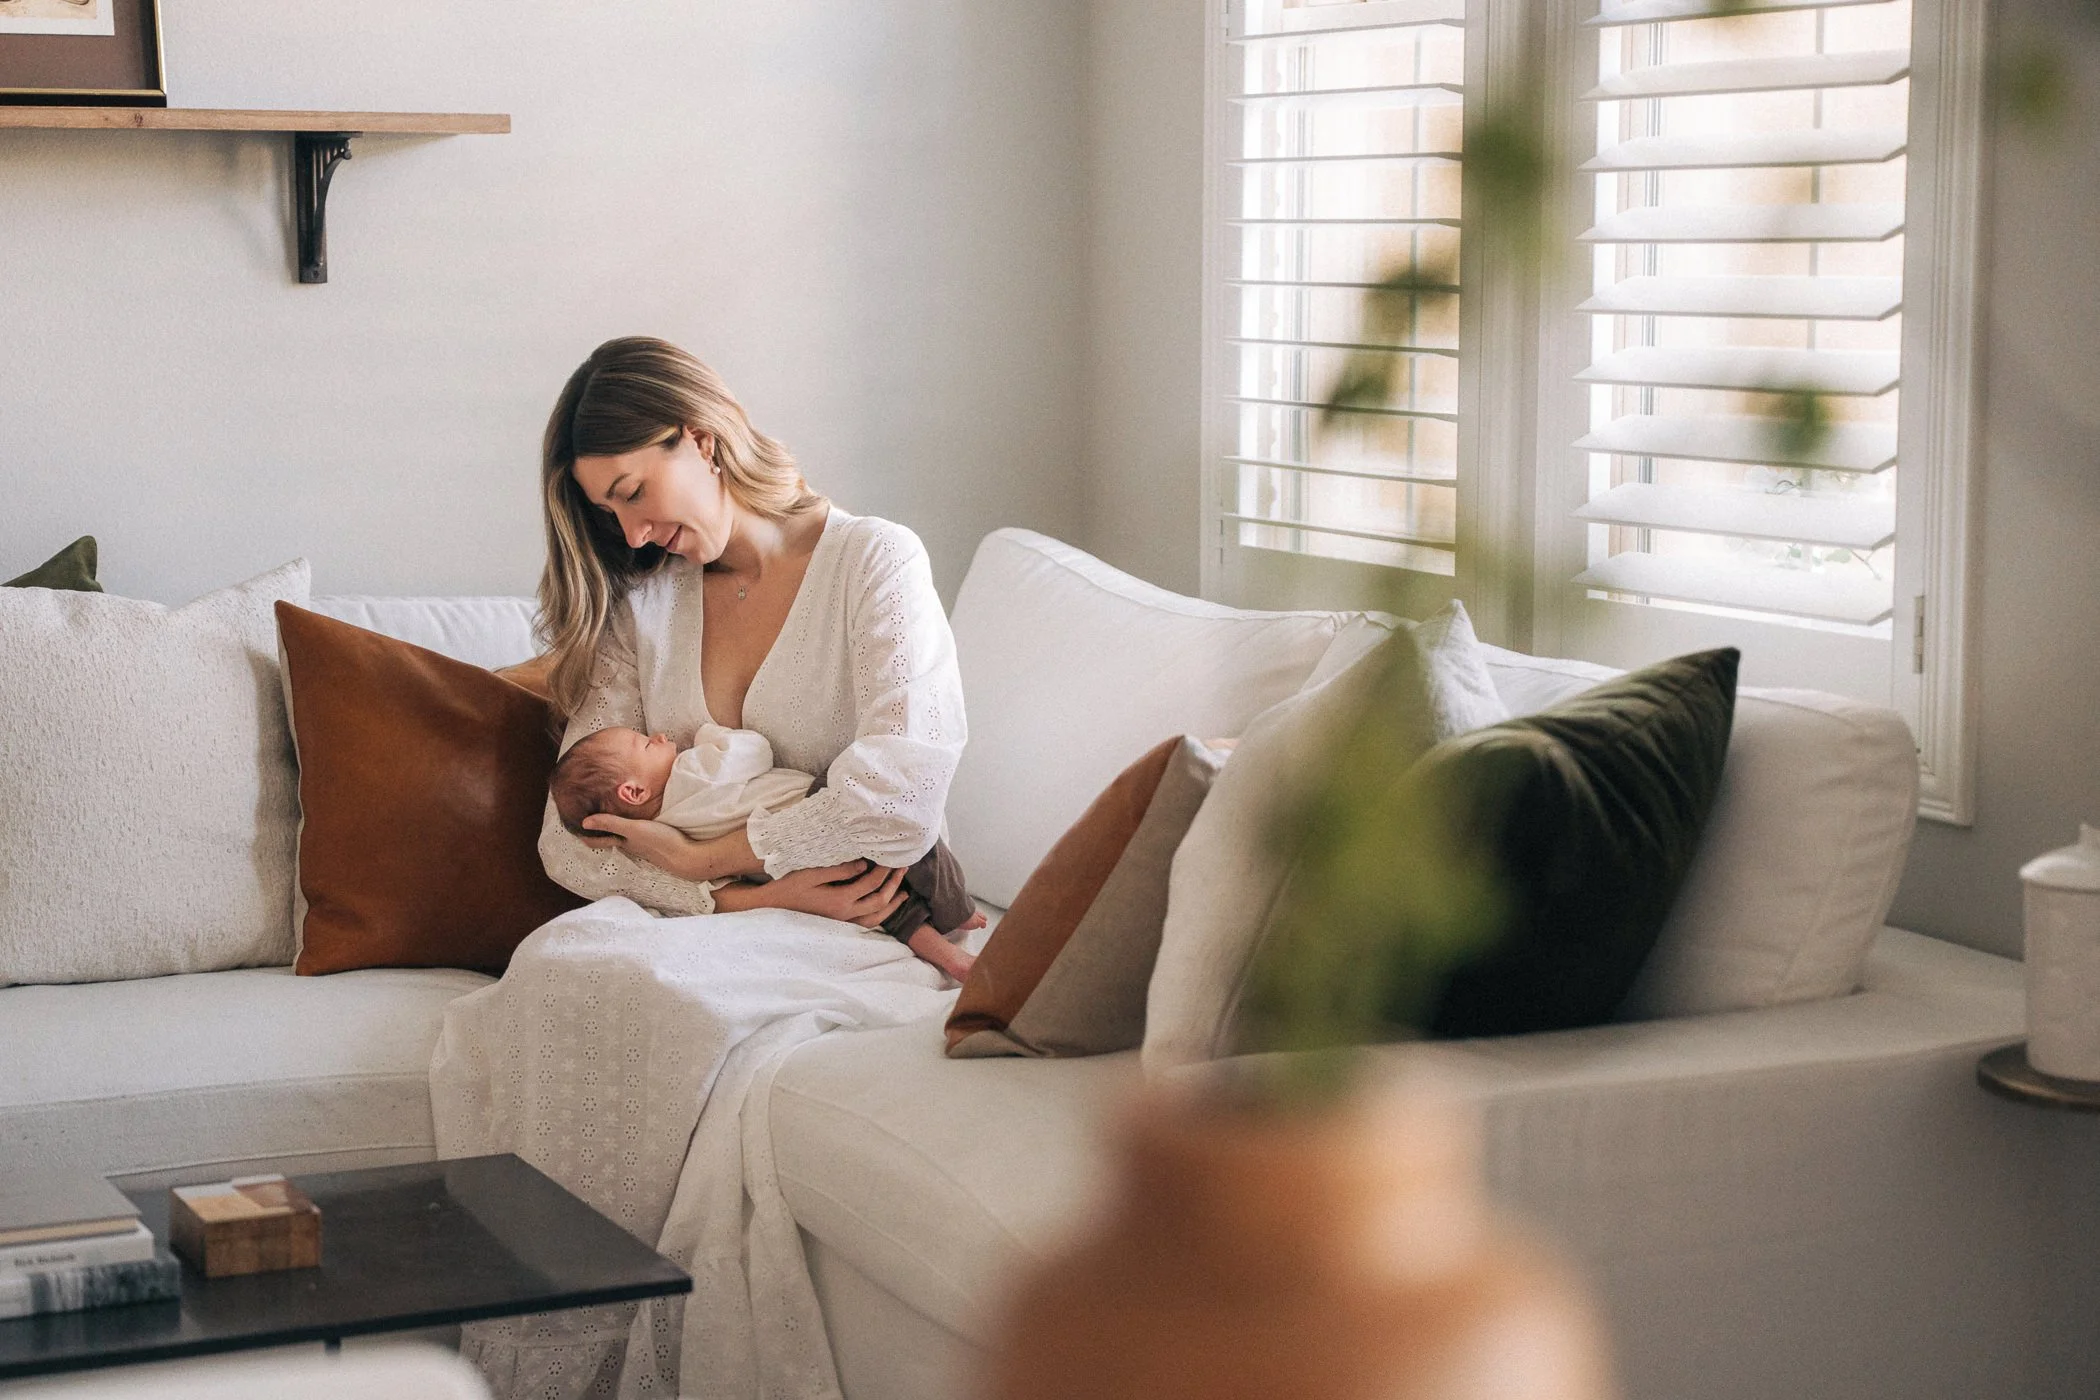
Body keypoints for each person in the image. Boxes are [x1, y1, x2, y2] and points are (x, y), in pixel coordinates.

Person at [430, 335, 971, 1400]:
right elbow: (563, 838)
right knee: (557, 970)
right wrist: (734, 892)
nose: (634, 532)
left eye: (634, 491)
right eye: (610, 514)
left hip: (858, 915)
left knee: (630, 989)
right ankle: (553, 1359)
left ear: (700, 436)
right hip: (736, 912)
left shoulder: (873, 560)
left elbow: (901, 793)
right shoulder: (647, 604)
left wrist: (712, 849)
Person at [548, 722, 982, 981]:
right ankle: (957, 909)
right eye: (647, 743)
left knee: (886, 908)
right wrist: (709, 733)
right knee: (912, 843)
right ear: (633, 790)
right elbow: (754, 751)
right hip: (810, 805)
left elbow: (705, 877)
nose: (660, 735)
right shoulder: (693, 771)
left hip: (779, 872)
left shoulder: (654, 836)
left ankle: (949, 958)